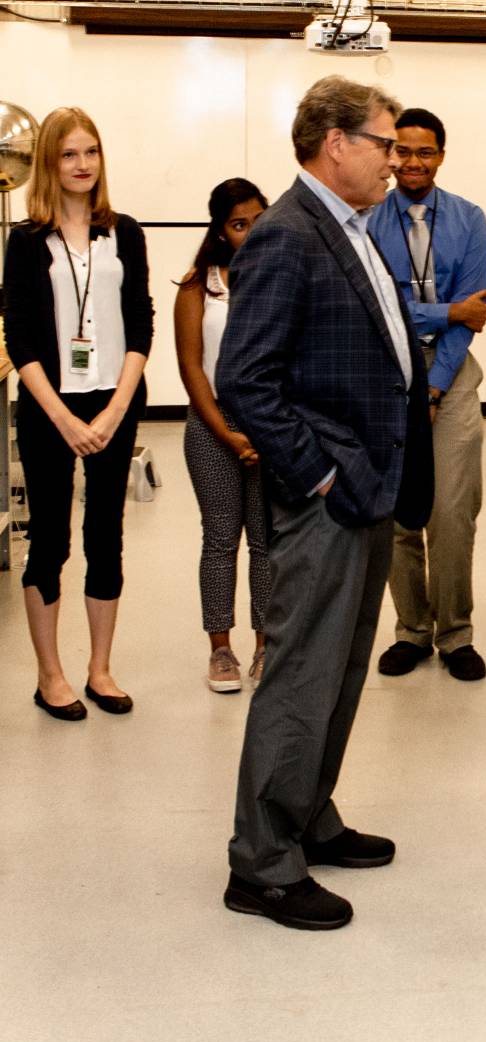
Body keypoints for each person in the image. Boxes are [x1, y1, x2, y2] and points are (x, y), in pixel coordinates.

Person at [220, 76, 431, 931]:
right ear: (335, 143)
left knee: (341, 668)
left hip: (369, 486)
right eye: (384, 142)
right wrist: (317, 475)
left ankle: (309, 816)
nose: (394, 157)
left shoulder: (349, 226)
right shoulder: (286, 235)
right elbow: (246, 380)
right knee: (302, 674)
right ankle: (262, 863)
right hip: (328, 497)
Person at [2, 106, 152, 721]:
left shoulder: (126, 231)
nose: (82, 164)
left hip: (113, 402)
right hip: (48, 406)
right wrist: (63, 418)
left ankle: (99, 669)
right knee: (51, 544)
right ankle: (50, 675)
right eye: (68, 154)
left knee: (106, 538)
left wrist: (117, 405)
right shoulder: (26, 238)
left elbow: (141, 324)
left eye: (90, 151)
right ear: (48, 163)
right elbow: (22, 338)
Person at [369, 106, 486, 682]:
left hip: (450, 373)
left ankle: (456, 633)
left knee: (451, 512)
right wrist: (444, 310)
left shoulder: (469, 220)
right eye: (403, 151)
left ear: (442, 155)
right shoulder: (366, 222)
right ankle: (411, 631)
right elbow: (378, 310)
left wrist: (437, 386)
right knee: (398, 514)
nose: (413, 162)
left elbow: (476, 314)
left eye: (425, 151)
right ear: (389, 155)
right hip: (386, 375)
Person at [175, 177, 272, 693]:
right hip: (213, 429)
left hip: (269, 431)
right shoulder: (198, 286)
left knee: (266, 542)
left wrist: (265, 432)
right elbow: (192, 370)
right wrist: (229, 435)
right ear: (219, 231)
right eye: (238, 225)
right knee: (219, 540)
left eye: (259, 221)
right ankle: (220, 650)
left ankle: (263, 646)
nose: (251, 233)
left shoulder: (283, 279)